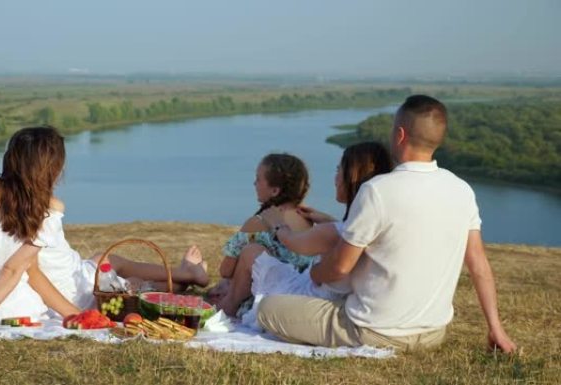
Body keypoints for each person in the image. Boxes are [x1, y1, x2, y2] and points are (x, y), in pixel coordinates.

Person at [257, 95, 517, 353]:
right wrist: (496, 328)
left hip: (373, 331)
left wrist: (314, 275)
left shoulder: (376, 191)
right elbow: (478, 264)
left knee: (267, 309)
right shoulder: (462, 190)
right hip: (432, 333)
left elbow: (339, 267)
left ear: (400, 135)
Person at [0, 126, 209, 333]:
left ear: (11, 157)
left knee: (114, 274)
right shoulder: (47, 207)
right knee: (112, 267)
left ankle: (183, 277)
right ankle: (184, 275)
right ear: (53, 170)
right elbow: (19, 270)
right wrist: (80, 315)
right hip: (54, 288)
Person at [241, 142, 393, 328]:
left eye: (339, 170)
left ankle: (225, 307)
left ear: (351, 177)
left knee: (254, 258)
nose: (335, 178)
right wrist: (327, 219)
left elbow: (294, 242)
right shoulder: (372, 226)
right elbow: (344, 231)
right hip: (341, 299)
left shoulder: (331, 231)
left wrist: (277, 223)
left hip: (313, 299)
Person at [211, 153, 315, 317]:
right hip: (304, 299)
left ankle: (227, 309)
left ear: (274, 190)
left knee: (248, 255)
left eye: (258, 179)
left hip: (261, 304)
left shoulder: (259, 222)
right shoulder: (311, 221)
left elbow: (225, 270)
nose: (254, 184)